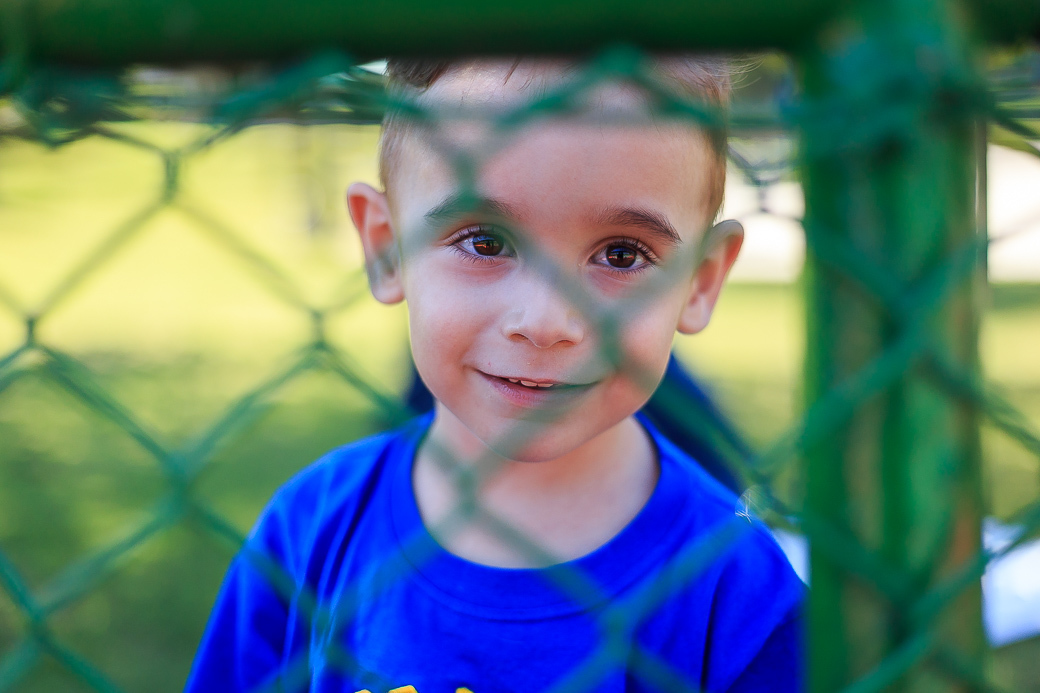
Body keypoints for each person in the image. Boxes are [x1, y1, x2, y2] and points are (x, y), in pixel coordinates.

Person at [185, 55, 804, 693]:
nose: (546, 320)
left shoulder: (741, 594)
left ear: (700, 281)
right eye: (485, 241)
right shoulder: (309, 532)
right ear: (386, 247)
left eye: (622, 254)